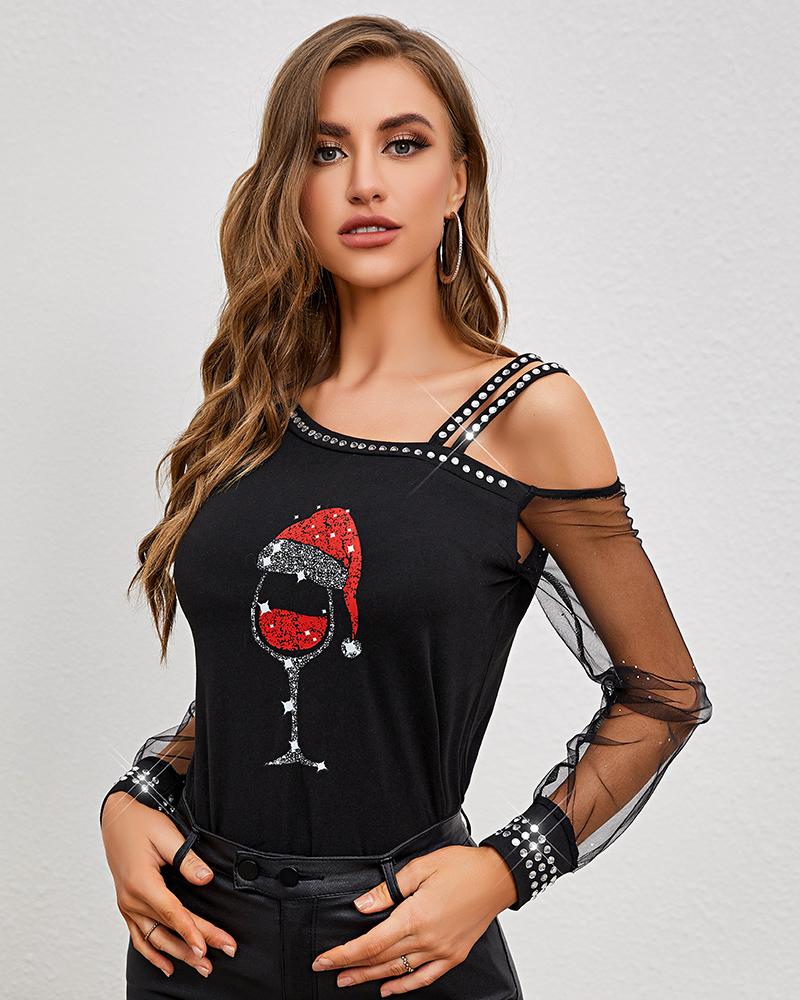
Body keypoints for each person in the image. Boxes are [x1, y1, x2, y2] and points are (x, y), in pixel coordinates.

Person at [100, 14, 712, 999]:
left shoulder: (527, 416)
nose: (364, 182)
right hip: (195, 946)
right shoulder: (254, 406)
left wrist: (505, 868)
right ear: (289, 186)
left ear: (457, 180)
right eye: (325, 150)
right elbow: (268, 677)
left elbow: (663, 694)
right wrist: (137, 796)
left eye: (402, 144)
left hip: (402, 947)